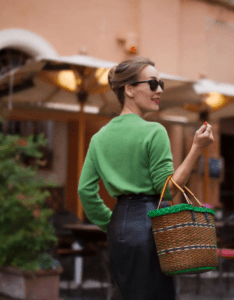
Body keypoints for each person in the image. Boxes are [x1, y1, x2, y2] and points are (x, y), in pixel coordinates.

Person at [77, 57, 214, 300]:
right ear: (129, 90)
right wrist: (196, 148)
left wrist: (112, 224)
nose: (159, 89)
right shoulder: (154, 131)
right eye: (152, 83)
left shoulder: (99, 138)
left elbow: (85, 191)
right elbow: (169, 190)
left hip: (119, 226)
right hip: (152, 226)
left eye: (160, 83)